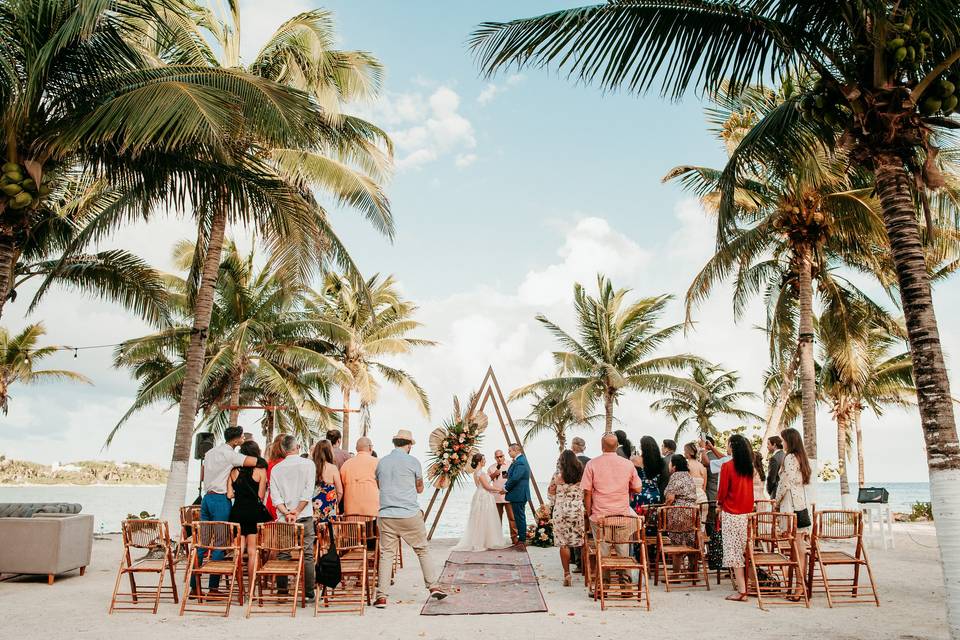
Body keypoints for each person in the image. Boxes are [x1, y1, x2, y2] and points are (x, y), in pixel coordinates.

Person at [374, 429, 448, 608]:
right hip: (408, 513)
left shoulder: (381, 463)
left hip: (387, 515)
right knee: (422, 549)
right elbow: (420, 488)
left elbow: (379, 485)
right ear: (408, 445)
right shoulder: (413, 462)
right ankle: (433, 586)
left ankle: (382, 596)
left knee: (386, 555)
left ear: (394, 443)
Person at [192, 426, 257, 595]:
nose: (243, 439)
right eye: (242, 437)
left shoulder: (210, 453)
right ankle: (213, 587)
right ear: (235, 439)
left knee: (201, 544)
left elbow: (202, 476)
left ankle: (194, 588)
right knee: (221, 543)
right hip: (221, 499)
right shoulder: (230, 455)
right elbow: (253, 462)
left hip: (207, 499)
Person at [582, 433, 642, 567]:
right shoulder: (628, 464)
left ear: (602, 446)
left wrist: (589, 511)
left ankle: (605, 580)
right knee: (623, 550)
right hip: (622, 515)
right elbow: (638, 488)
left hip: (600, 516)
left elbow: (587, 492)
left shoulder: (592, 464)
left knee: (603, 551)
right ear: (616, 446)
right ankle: (625, 580)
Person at [269, 435, 317, 602]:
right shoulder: (308, 464)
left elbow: (275, 498)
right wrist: (296, 511)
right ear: (296, 447)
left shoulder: (276, 469)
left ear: (283, 449)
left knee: (283, 554)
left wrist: (287, 512)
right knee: (308, 554)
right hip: (304, 515)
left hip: (284, 518)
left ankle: (282, 592)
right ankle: (309, 592)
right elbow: (308, 491)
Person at [717, 434, 755, 602]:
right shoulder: (748, 467)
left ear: (732, 446)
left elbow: (723, 490)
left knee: (734, 552)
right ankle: (749, 585)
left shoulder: (728, 466)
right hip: (746, 513)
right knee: (746, 550)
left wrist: (719, 505)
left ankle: (742, 590)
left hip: (732, 513)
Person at [227, 440, 269, 587]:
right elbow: (261, 495)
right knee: (252, 552)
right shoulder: (261, 471)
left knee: (238, 552)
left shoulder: (233, 471)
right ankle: (251, 587)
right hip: (253, 514)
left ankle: (239, 589)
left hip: (237, 513)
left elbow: (229, 494)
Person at [775, 427, 813, 578]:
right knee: (800, 545)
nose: (782, 442)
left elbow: (785, 483)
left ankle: (799, 584)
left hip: (791, 505)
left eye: (783, 440)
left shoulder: (790, 457)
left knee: (797, 547)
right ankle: (800, 582)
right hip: (801, 503)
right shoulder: (801, 457)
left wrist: (776, 501)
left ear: (789, 441)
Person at [453, 453, 511, 552]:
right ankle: (483, 542)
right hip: (484, 496)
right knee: (484, 519)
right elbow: (487, 487)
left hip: (479, 495)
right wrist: (501, 489)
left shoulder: (476, 473)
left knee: (480, 519)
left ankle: (482, 540)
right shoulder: (481, 473)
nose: (485, 461)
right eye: (483, 459)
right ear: (479, 461)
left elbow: (480, 485)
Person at [548, 450, 584, 587]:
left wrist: (555, 502)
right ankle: (586, 570)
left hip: (561, 510)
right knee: (581, 541)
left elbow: (551, 493)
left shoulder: (557, 476)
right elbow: (585, 491)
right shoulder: (581, 475)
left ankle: (567, 574)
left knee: (564, 543)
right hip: (576, 510)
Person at [663, 454, 698, 574]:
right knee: (691, 541)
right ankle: (693, 571)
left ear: (674, 466)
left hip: (679, 512)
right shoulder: (688, 476)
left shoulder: (675, 476)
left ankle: (676, 573)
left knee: (676, 541)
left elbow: (670, 497)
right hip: (692, 512)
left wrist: (665, 507)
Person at [339, 437, 379, 517]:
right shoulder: (377, 462)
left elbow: (341, 487)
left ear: (356, 449)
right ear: (370, 447)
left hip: (351, 512)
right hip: (372, 512)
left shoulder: (346, 464)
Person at [504, 443, 531, 547]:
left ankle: (522, 540)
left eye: (509, 451)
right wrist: (508, 474)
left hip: (519, 494)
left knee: (519, 517)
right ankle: (521, 538)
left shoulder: (520, 462)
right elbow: (514, 475)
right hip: (518, 494)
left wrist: (505, 488)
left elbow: (515, 478)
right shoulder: (519, 461)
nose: (508, 452)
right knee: (519, 516)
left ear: (515, 450)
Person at [488, 449, 518, 544]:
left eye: (501, 456)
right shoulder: (491, 468)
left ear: (504, 456)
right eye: (497, 457)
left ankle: (514, 538)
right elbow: (487, 481)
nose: (499, 458)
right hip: (496, 497)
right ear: (495, 458)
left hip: (508, 496)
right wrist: (494, 474)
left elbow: (514, 479)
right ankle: (497, 539)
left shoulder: (510, 465)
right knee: (497, 519)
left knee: (512, 518)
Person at [630, 435, 665, 512]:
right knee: (652, 522)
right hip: (655, 495)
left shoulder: (635, 459)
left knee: (638, 522)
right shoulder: (661, 461)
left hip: (639, 494)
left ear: (642, 447)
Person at [311, 440, 343, 523]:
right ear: (329, 452)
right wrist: (334, 504)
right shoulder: (333, 468)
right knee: (330, 533)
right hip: (330, 507)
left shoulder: (311, 467)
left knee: (315, 532)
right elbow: (340, 492)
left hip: (313, 507)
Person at [765, 435, 785, 499]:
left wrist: (769, 491)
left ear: (774, 445)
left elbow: (771, 478)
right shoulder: (785, 455)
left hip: (775, 492)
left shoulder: (774, 458)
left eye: (768, 444)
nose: (767, 446)